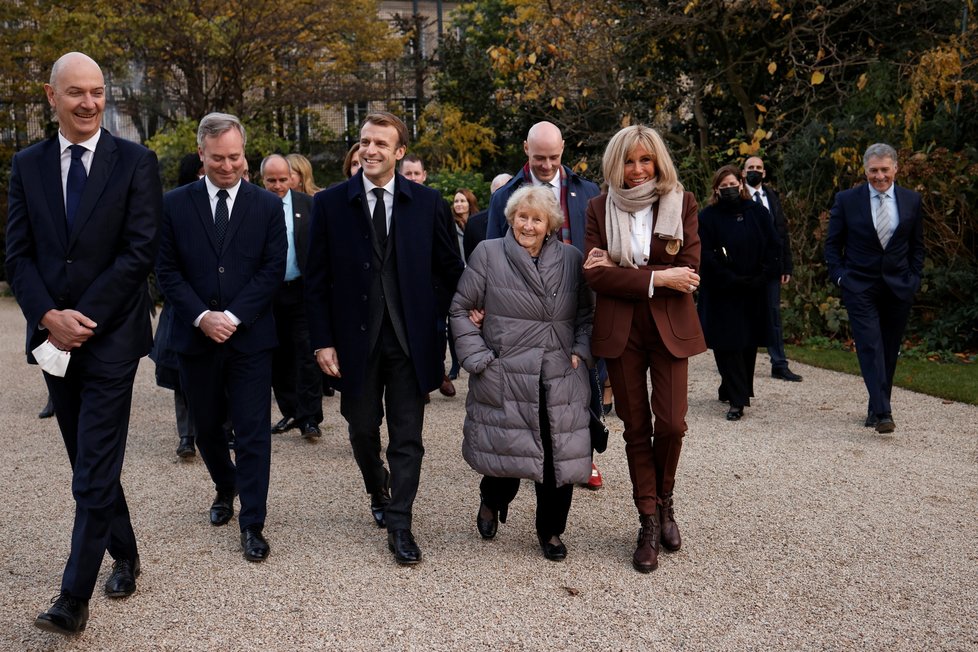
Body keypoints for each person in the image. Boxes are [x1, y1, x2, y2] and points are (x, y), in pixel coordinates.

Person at [6, 52, 161, 634]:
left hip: (112, 336)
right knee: (87, 460)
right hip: (53, 340)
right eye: (76, 93)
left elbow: (138, 251)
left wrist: (80, 317)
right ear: (52, 97)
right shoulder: (28, 164)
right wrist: (48, 315)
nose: (90, 102)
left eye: (97, 91)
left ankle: (73, 598)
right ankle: (125, 551)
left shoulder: (135, 162)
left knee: (94, 464)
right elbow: (18, 254)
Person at [305, 111, 463, 565]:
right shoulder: (332, 204)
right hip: (354, 342)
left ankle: (400, 524)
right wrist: (322, 341)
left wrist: (444, 309)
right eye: (364, 141)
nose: (369, 149)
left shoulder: (428, 202)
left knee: (407, 436)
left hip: (412, 342)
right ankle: (377, 487)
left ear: (399, 152)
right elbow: (316, 281)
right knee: (360, 427)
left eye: (380, 143)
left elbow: (450, 271)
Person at [156, 112, 287, 563]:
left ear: (243, 154)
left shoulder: (267, 205)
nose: (227, 166)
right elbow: (166, 270)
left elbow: (272, 270)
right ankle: (224, 485)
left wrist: (231, 315)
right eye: (217, 158)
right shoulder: (174, 204)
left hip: (249, 339)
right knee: (207, 428)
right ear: (201, 154)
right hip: (194, 339)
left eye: (234, 157)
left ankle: (252, 522)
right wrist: (201, 317)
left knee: (253, 433)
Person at [582, 124, 706, 574]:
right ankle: (648, 519)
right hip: (622, 330)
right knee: (636, 426)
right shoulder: (599, 207)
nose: (636, 170)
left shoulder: (682, 203)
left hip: (668, 327)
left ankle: (665, 498)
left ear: (658, 163)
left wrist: (624, 268)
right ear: (616, 163)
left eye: (645, 160)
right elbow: (594, 273)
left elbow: (688, 271)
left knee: (671, 424)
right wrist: (657, 276)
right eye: (629, 161)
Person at [451, 186, 593, 561]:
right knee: (506, 455)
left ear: (550, 225)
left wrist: (581, 349)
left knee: (557, 457)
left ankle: (551, 531)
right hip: (507, 371)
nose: (527, 225)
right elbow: (460, 310)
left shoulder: (570, 258)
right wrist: (479, 359)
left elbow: (587, 315)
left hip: (559, 373)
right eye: (521, 217)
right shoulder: (488, 252)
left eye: (536, 219)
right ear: (511, 218)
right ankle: (490, 502)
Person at [486, 121, 605, 490]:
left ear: (564, 149)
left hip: (574, 301)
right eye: (539, 157)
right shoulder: (505, 195)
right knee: (525, 388)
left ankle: (582, 457)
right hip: (523, 309)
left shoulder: (587, 192)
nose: (547, 164)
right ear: (526, 150)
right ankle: (519, 460)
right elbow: (492, 254)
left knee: (580, 384)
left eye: (554, 157)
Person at [824, 143, 924, 434]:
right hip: (859, 285)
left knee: (889, 349)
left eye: (884, 170)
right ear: (865, 170)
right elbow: (833, 245)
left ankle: (874, 407)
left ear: (895, 168)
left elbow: (917, 246)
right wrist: (841, 277)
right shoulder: (847, 200)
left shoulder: (911, 201)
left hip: (898, 286)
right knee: (869, 345)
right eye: (873, 170)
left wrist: (914, 277)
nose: (879, 176)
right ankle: (883, 412)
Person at [697, 165, 781, 421]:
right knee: (727, 344)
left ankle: (734, 387)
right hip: (723, 289)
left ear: (741, 184)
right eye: (723, 187)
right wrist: (729, 277)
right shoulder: (708, 216)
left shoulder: (757, 212)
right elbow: (705, 254)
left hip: (754, 287)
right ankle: (737, 400)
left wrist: (762, 275)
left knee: (747, 343)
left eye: (733, 185)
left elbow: (772, 245)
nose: (729, 190)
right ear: (716, 190)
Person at [262, 154, 323, 441]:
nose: (277, 186)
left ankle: (310, 417)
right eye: (271, 180)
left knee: (307, 352)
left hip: (301, 291)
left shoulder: (308, 206)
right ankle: (291, 410)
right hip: (268, 295)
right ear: (261, 180)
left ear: (293, 178)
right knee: (278, 356)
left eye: (282, 179)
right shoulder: (254, 206)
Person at [151, 152, 205, 459]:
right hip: (182, 303)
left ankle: (223, 430)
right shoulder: (173, 205)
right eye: (198, 171)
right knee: (183, 375)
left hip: (218, 303)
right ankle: (186, 435)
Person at [743, 156, 802, 382]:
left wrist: (786, 265)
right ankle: (739, 364)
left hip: (771, 268)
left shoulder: (772, 196)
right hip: (746, 269)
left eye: (758, 168)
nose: (755, 171)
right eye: (751, 168)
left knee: (773, 315)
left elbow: (782, 233)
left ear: (764, 172)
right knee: (745, 314)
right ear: (743, 172)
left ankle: (779, 363)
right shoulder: (738, 195)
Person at [446, 188, 479, 380]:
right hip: (458, 276)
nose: (458, 204)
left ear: (469, 203)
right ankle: (455, 364)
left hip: (476, 276)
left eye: (462, 201)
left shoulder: (477, 223)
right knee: (454, 319)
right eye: (456, 201)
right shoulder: (451, 225)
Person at [463, 173, 512, 261]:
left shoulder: (526, 222)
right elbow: (471, 259)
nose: (504, 197)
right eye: (500, 193)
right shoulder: (474, 223)